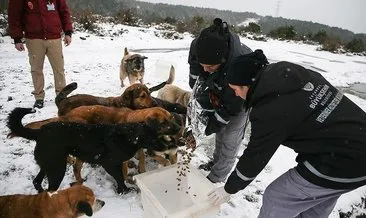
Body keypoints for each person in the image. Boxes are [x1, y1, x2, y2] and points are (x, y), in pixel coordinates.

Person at [208, 49, 366, 218]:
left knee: (277, 197)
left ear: (246, 85)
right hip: (356, 148)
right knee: (313, 205)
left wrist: (229, 189)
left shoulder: (269, 108)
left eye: (235, 89)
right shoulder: (288, 75)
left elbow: (256, 155)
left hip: (342, 161)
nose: (236, 94)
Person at [187, 17, 252, 183]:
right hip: (219, 87)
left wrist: (209, 128)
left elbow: (230, 108)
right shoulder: (199, 46)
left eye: (210, 67)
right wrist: (198, 88)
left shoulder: (240, 65)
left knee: (229, 136)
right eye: (203, 64)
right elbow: (196, 74)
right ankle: (214, 163)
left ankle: (217, 177)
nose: (205, 69)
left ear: (223, 61)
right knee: (219, 134)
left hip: (241, 97)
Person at [8, 0, 73, 108]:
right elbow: (14, 15)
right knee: (36, 69)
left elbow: (64, 12)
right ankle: (39, 98)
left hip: (54, 37)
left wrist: (68, 32)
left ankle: (61, 97)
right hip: (33, 38)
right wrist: (17, 38)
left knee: (59, 69)